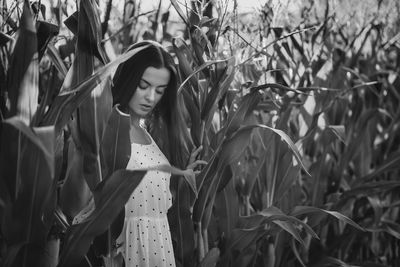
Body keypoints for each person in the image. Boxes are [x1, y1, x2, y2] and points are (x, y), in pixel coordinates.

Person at [111, 41, 205, 267]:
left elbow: (154, 203)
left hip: (158, 252)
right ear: (128, 79)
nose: (151, 98)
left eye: (160, 90)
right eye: (143, 86)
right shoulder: (108, 133)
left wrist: (183, 175)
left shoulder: (147, 135)